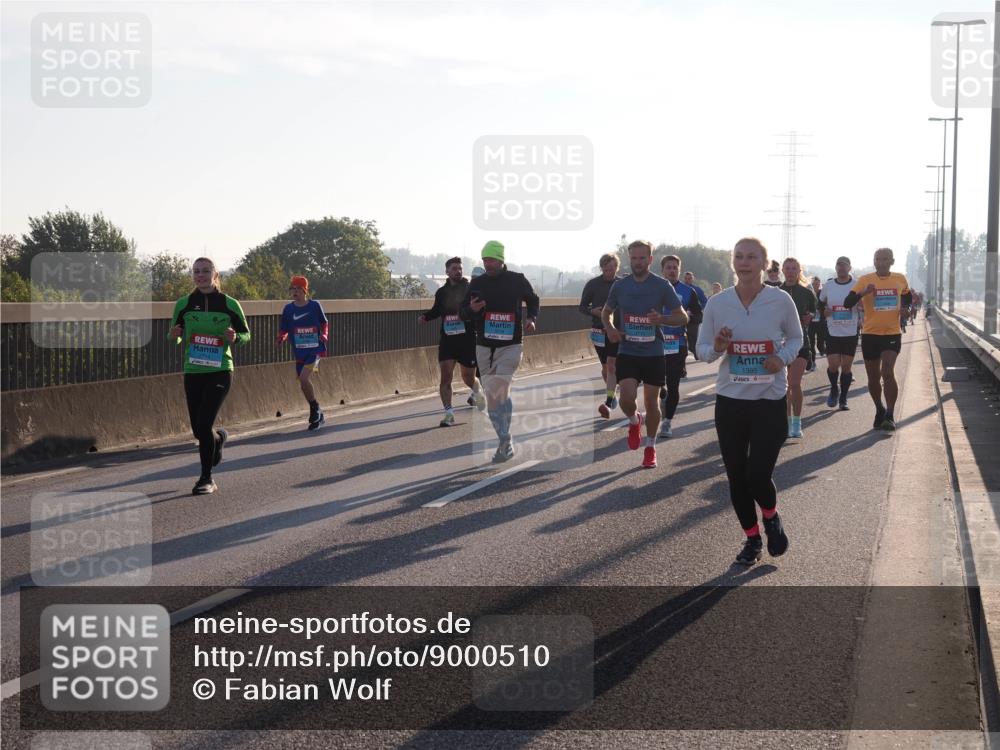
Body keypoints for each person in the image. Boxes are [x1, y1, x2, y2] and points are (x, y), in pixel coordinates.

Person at [697, 237, 800, 566]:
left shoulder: (781, 301)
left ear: (763, 262)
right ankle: (752, 539)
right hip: (730, 402)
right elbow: (702, 352)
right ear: (733, 263)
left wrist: (781, 358)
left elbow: (797, 337)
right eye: (739, 257)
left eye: (751, 257)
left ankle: (771, 517)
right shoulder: (717, 303)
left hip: (769, 400)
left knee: (758, 475)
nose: (744, 262)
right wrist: (716, 346)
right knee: (736, 477)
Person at [169, 257, 250, 495]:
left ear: (215, 275)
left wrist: (235, 337)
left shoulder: (229, 304)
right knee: (198, 430)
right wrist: (174, 335)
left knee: (204, 423)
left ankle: (206, 478)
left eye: (205, 271)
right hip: (194, 371)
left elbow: (246, 335)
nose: (200, 275)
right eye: (196, 272)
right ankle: (218, 439)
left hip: (220, 370)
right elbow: (176, 336)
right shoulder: (184, 304)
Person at [602, 240, 686, 469]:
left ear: (650, 259)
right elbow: (606, 312)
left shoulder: (661, 286)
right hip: (628, 350)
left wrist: (662, 319)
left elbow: (683, 318)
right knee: (627, 399)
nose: (638, 262)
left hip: (654, 353)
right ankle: (633, 420)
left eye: (642, 258)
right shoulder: (620, 286)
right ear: (630, 259)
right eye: (634, 258)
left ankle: (650, 446)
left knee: (651, 402)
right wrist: (610, 328)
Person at [461, 240, 540, 462]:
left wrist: (531, 319)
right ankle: (504, 440)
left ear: (501, 260)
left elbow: (534, 301)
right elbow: (462, 313)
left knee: (499, 387)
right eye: (485, 260)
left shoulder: (517, 280)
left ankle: (504, 437)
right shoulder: (477, 284)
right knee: (492, 395)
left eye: (492, 260)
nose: (488, 264)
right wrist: (471, 309)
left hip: (511, 345)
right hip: (484, 346)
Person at [843, 247, 912, 431]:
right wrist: (863, 293)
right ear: (874, 261)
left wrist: (905, 309)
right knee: (873, 377)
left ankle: (890, 414)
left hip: (891, 333)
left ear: (892, 261)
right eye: (877, 259)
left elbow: (907, 296)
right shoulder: (865, 280)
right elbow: (847, 303)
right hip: (870, 334)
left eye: (884, 259)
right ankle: (879, 409)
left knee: (887, 372)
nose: (880, 262)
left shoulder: (900, 278)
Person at [419, 257, 485, 426]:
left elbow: (479, 310)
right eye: (454, 268)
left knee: (468, 378)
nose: (458, 271)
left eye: (460, 268)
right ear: (447, 272)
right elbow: (436, 310)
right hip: (448, 341)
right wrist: (425, 317)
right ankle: (448, 413)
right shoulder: (441, 293)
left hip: (467, 340)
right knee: (445, 378)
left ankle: (478, 392)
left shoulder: (471, 289)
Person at [276, 275, 328, 431]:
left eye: (298, 289)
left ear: (305, 290)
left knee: (304, 378)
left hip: (315, 349)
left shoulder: (314, 306)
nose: (295, 292)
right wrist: (281, 337)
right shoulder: (288, 309)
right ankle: (316, 409)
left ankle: (315, 409)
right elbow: (284, 329)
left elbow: (324, 323)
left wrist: (324, 335)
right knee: (302, 382)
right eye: (293, 289)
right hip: (299, 352)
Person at [658, 255, 702, 438]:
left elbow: (699, 315)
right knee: (658, 384)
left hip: (678, 342)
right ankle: (662, 397)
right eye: (668, 267)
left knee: (673, 384)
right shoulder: (654, 288)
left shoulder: (688, 291)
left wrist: (689, 317)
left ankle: (667, 422)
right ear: (662, 270)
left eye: (675, 267)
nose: (672, 270)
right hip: (656, 343)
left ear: (679, 269)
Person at [579, 253, 621, 418]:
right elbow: (581, 307)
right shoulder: (593, 284)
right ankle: (612, 393)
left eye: (611, 269)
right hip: (598, 330)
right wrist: (592, 311)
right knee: (605, 368)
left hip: (616, 331)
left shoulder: (622, 284)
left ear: (616, 268)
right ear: (601, 268)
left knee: (611, 365)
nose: (608, 272)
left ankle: (609, 400)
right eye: (605, 269)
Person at [779, 258, 817, 438]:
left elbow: (815, 313)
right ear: (783, 271)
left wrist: (811, 316)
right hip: (779, 345)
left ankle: (797, 422)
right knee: (783, 387)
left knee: (794, 384)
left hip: (801, 343)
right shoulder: (775, 293)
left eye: (794, 268)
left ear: (799, 271)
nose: (791, 271)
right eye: (788, 268)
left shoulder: (807, 293)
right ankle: (785, 422)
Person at [819, 256, 859, 410]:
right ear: (836, 268)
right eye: (839, 265)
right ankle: (834, 388)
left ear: (849, 268)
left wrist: (861, 311)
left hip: (850, 331)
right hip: (833, 331)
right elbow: (820, 303)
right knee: (833, 365)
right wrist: (824, 311)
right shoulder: (829, 285)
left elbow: (862, 303)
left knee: (846, 367)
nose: (841, 268)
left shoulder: (856, 284)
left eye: (844, 265)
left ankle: (843, 399)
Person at [683, 270, 708, 360]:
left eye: (689, 278)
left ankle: (696, 354)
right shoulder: (680, 288)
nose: (687, 280)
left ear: (693, 279)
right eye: (686, 278)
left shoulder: (697, 290)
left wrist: (697, 310)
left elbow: (705, 301)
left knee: (692, 337)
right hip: (681, 316)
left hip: (693, 317)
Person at [808, 275, 827, 365]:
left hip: (821, 321)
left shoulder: (822, 293)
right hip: (811, 322)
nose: (815, 285)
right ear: (812, 284)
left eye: (817, 284)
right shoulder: (808, 293)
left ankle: (822, 349)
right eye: (814, 284)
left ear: (819, 284)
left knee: (820, 341)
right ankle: (813, 361)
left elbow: (825, 304)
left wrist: (821, 309)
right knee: (811, 342)